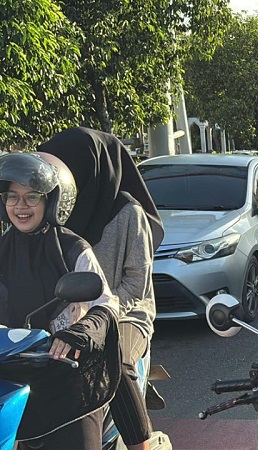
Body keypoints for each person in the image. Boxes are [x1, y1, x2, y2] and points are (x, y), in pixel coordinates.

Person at [38, 127, 165, 450]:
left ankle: (141, 444)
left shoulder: (127, 214)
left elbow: (136, 284)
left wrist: (97, 316)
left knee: (113, 360)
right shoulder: (53, 210)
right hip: (62, 312)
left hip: (125, 315)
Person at [0, 152, 120, 449]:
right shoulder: (1, 249)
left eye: (32, 197)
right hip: (10, 370)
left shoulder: (72, 248)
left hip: (65, 371)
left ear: (50, 201)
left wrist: (78, 333)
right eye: (12, 197)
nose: (20, 206)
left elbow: (106, 304)